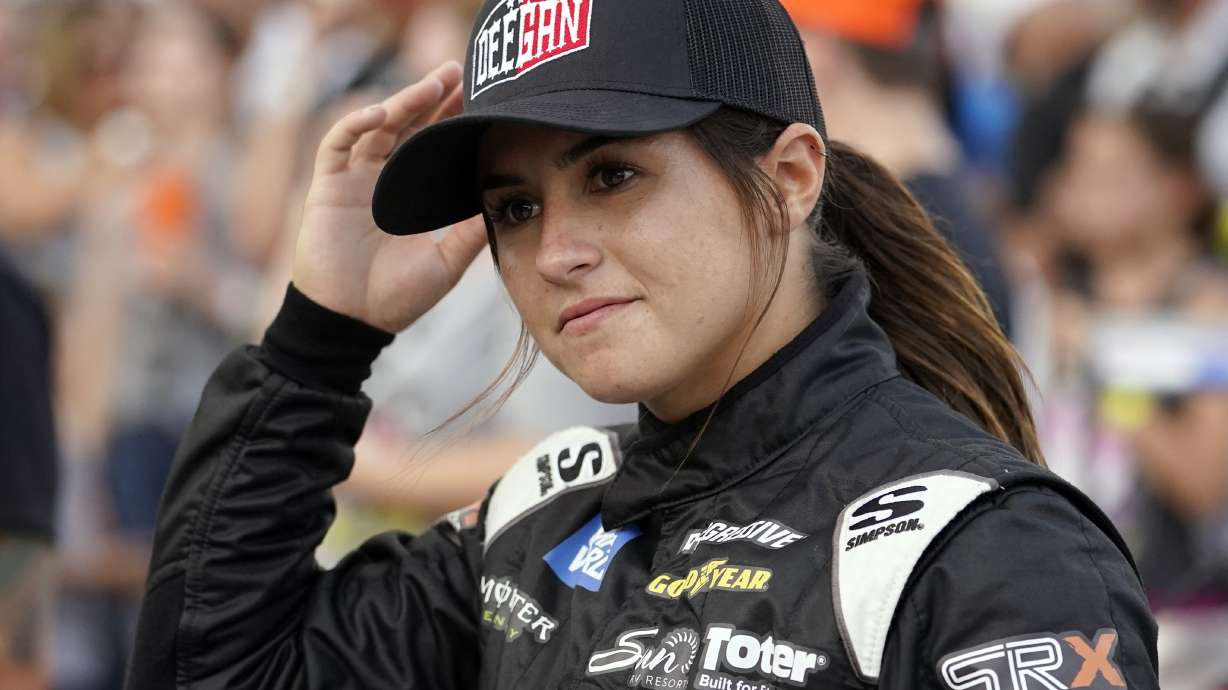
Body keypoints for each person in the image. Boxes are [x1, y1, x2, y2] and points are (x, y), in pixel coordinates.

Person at [125, 1, 1159, 688]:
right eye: (516, 208)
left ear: (791, 178)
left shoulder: (982, 548)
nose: (556, 251)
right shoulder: (532, 529)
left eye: (611, 177)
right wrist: (318, 342)